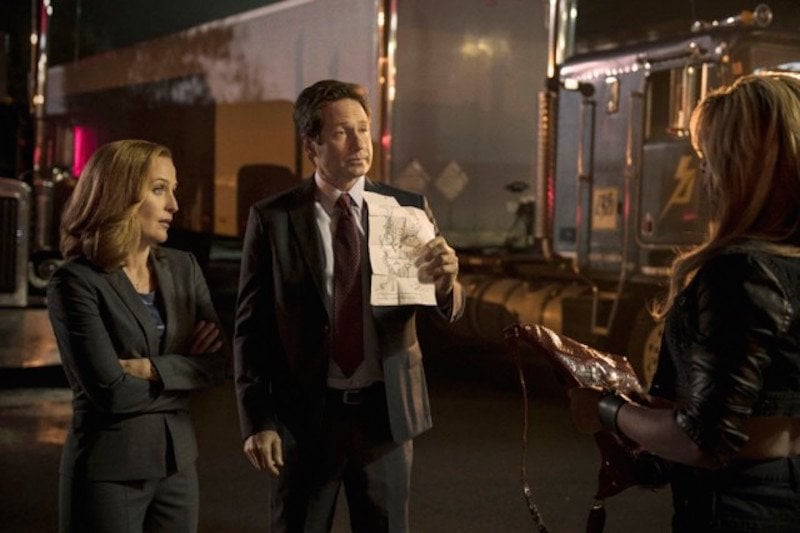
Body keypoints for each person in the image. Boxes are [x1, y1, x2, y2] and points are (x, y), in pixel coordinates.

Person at [569, 72, 800, 531]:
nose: (704, 174)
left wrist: (608, 410)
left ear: (742, 168)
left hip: (738, 513)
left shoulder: (742, 271)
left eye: (709, 158)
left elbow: (705, 440)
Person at [234, 79, 464, 532]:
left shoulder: (407, 209)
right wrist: (258, 420)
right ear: (311, 145)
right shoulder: (275, 219)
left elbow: (446, 308)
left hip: (385, 417)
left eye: (363, 129)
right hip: (305, 418)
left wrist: (446, 283)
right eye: (342, 132)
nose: (360, 143)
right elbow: (252, 329)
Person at [48, 139, 226, 532]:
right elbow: (111, 391)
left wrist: (150, 369)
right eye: (159, 189)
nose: (174, 205)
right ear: (119, 195)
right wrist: (184, 373)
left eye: (173, 190)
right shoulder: (75, 282)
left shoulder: (183, 267)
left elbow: (217, 365)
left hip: (178, 466)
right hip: (108, 472)